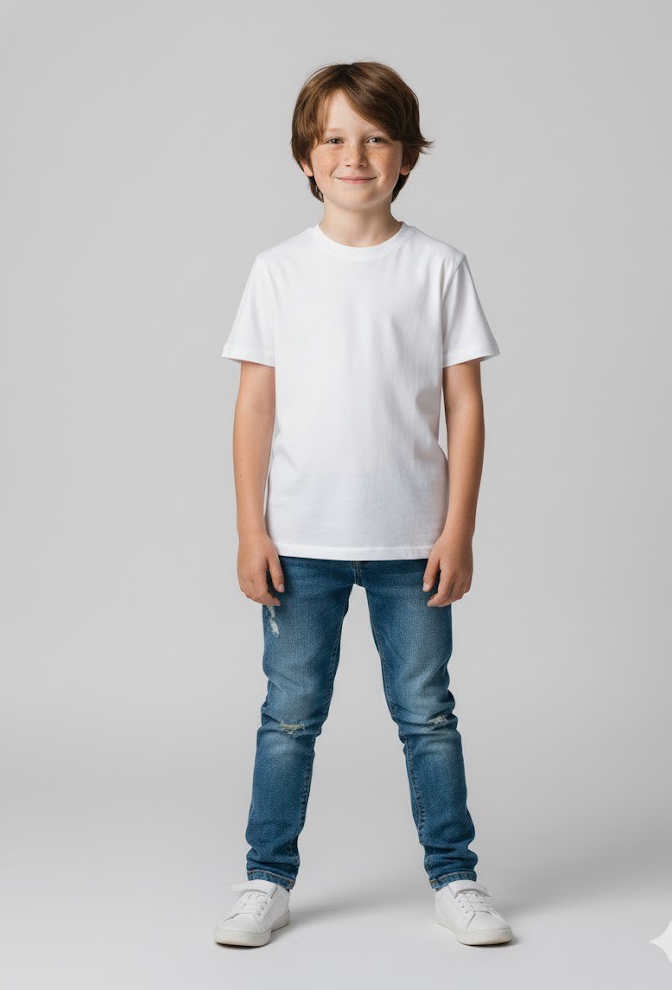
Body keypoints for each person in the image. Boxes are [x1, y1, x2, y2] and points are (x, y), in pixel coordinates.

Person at [213, 61, 513, 949]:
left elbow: (464, 406)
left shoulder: (438, 268)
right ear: (306, 158)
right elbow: (254, 407)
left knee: (426, 714)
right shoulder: (277, 271)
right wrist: (250, 529)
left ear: (406, 156)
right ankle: (265, 880)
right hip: (300, 540)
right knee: (288, 715)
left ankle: (454, 877)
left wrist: (458, 529)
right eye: (335, 139)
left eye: (377, 138)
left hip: (411, 541)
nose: (355, 156)